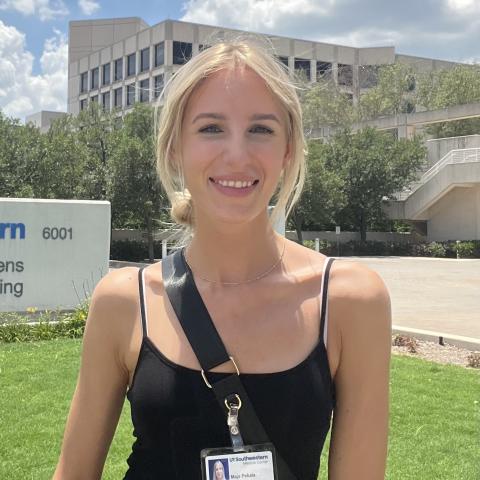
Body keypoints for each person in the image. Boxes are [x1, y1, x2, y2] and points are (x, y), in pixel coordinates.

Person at [53, 38, 391, 480]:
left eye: (261, 129)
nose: (237, 154)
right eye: (211, 128)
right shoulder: (123, 301)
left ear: (288, 150)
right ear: (176, 147)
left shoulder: (349, 301)